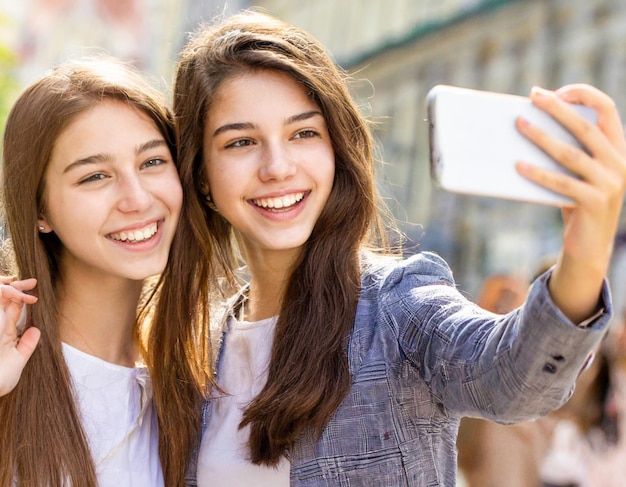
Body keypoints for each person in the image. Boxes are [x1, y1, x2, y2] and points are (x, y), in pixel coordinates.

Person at [160, 9, 626, 486]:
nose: (278, 166)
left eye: (303, 133)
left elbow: (515, 380)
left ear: (336, 150)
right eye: (240, 142)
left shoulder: (395, 308)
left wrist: (587, 249)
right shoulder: (196, 347)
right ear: (200, 176)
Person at [0, 57, 205, 486]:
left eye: (151, 162)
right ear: (39, 210)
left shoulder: (200, 372)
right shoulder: (9, 368)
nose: (136, 198)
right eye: (95, 176)